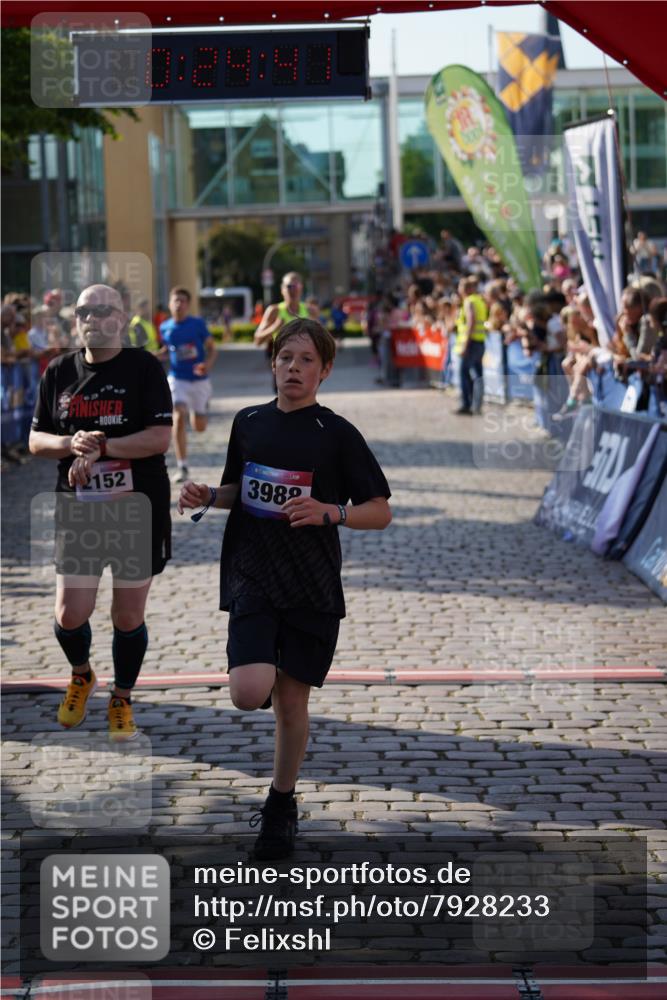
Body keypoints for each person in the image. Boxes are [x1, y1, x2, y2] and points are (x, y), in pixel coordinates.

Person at [177, 318, 392, 861]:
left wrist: (331, 511)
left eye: (305, 361)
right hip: (252, 570)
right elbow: (238, 489)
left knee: (291, 702)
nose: (293, 369)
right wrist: (209, 494)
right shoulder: (248, 421)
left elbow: (380, 511)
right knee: (250, 692)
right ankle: (264, 664)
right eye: (284, 358)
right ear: (271, 363)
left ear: (325, 371)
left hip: (310, 579)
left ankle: (280, 806)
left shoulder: (336, 433)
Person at [29, 284, 173, 740]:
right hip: (79, 511)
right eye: (84, 311)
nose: (92, 318)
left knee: (127, 616)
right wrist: (71, 444)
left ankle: (122, 697)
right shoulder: (58, 372)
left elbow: (158, 439)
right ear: (75, 321)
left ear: (123, 317)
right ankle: (82, 674)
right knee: (71, 613)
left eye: (103, 310)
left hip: (137, 508)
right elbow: (36, 441)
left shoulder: (144, 367)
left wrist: (103, 446)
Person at [160, 286, 217, 484]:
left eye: (182, 300)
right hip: (177, 379)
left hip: (199, 381)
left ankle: (200, 412)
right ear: (169, 304)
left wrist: (207, 365)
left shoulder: (198, 324)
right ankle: (182, 465)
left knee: (199, 427)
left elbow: (212, 348)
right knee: (178, 415)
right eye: (175, 300)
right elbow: (167, 350)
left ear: (188, 304)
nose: (178, 304)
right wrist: (153, 356)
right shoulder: (165, 327)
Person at [454, 275, 488, 414]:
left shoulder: (468, 301)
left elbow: (471, 322)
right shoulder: (479, 300)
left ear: (465, 289)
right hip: (480, 341)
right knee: (478, 374)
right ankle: (477, 405)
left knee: (464, 373)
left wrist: (465, 345)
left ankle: (466, 404)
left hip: (471, 343)